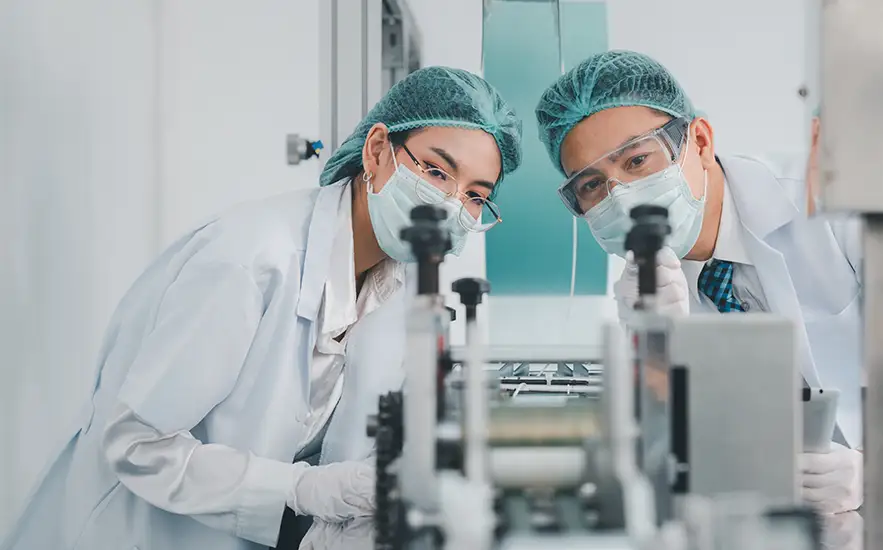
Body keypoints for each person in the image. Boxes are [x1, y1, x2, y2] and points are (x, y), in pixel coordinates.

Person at [1, 66, 522, 550]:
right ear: (378, 151)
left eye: (477, 196)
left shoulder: (398, 285)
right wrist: (300, 490)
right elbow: (137, 444)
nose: (453, 205)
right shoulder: (251, 260)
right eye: (436, 171)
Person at [534, 50, 883, 516]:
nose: (622, 195)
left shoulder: (837, 200)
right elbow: (675, 457)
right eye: (592, 184)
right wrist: (656, 351)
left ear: (699, 140)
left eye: (636, 161)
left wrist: (879, 468)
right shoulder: (651, 294)